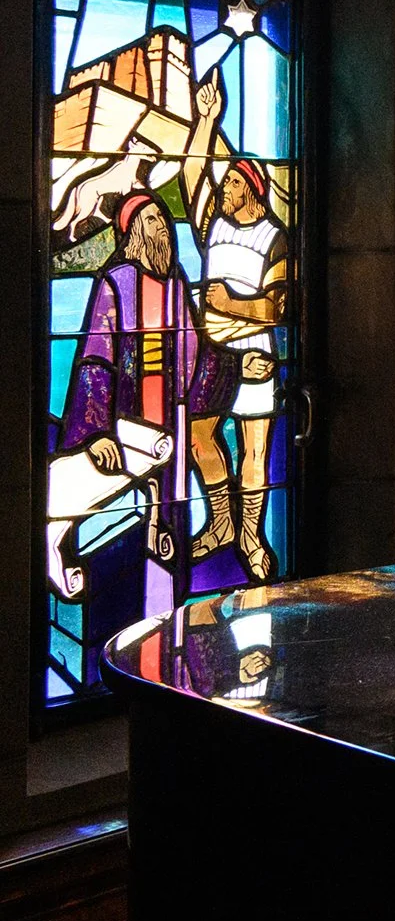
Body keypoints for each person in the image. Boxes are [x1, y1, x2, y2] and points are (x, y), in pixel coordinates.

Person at [48, 193, 199, 612]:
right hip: (127, 419)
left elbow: (194, 353)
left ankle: (170, 616)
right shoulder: (116, 282)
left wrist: (231, 372)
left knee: (168, 511)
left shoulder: (177, 285)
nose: (162, 228)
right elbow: (96, 358)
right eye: (151, 220)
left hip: (172, 414)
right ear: (132, 233)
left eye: (164, 220)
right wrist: (95, 432)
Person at [183, 96, 290, 581]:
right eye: (223, 182)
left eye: (230, 183)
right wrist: (205, 121)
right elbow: (190, 177)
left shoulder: (275, 237)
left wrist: (226, 302)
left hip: (255, 352)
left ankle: (250, 534)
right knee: (199, 436)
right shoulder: (215, 225)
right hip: (213, 353)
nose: (222, 188)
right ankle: (221, 521)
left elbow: (277, 306)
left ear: (251, 190)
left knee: (254, 449)